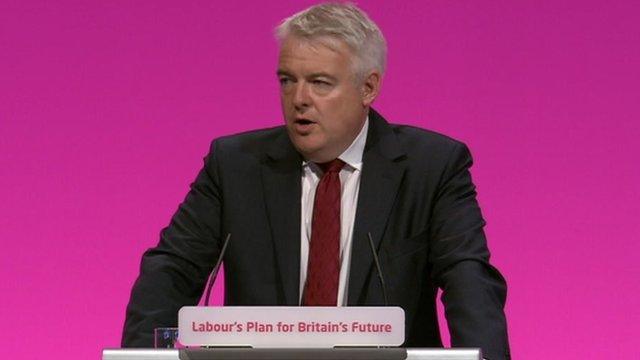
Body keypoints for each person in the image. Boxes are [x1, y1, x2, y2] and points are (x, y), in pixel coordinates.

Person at [122, 3, 510, 359]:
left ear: (368, 87)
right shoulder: (235, 166)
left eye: (320, 82)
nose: (299, 99)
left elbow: (469, 282)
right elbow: (171, 272)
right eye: (287, 80)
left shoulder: (431, 167)